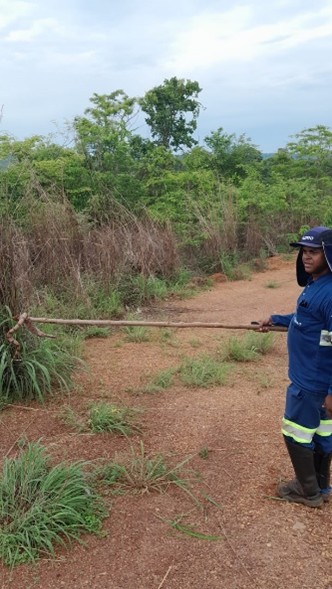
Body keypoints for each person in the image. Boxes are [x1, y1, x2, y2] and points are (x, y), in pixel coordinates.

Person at [258, 226, 332, 508]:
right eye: (304, 251)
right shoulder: (318, 286)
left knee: (296, 433)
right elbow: (306, 320)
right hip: (318, 384)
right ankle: (322, 487)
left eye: (314, 252)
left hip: (312, 383)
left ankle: (307, 491)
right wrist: (276, 319)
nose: (305, 257)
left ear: (328, 254)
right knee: (323, 433)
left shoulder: (330, 294)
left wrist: (331, 392)